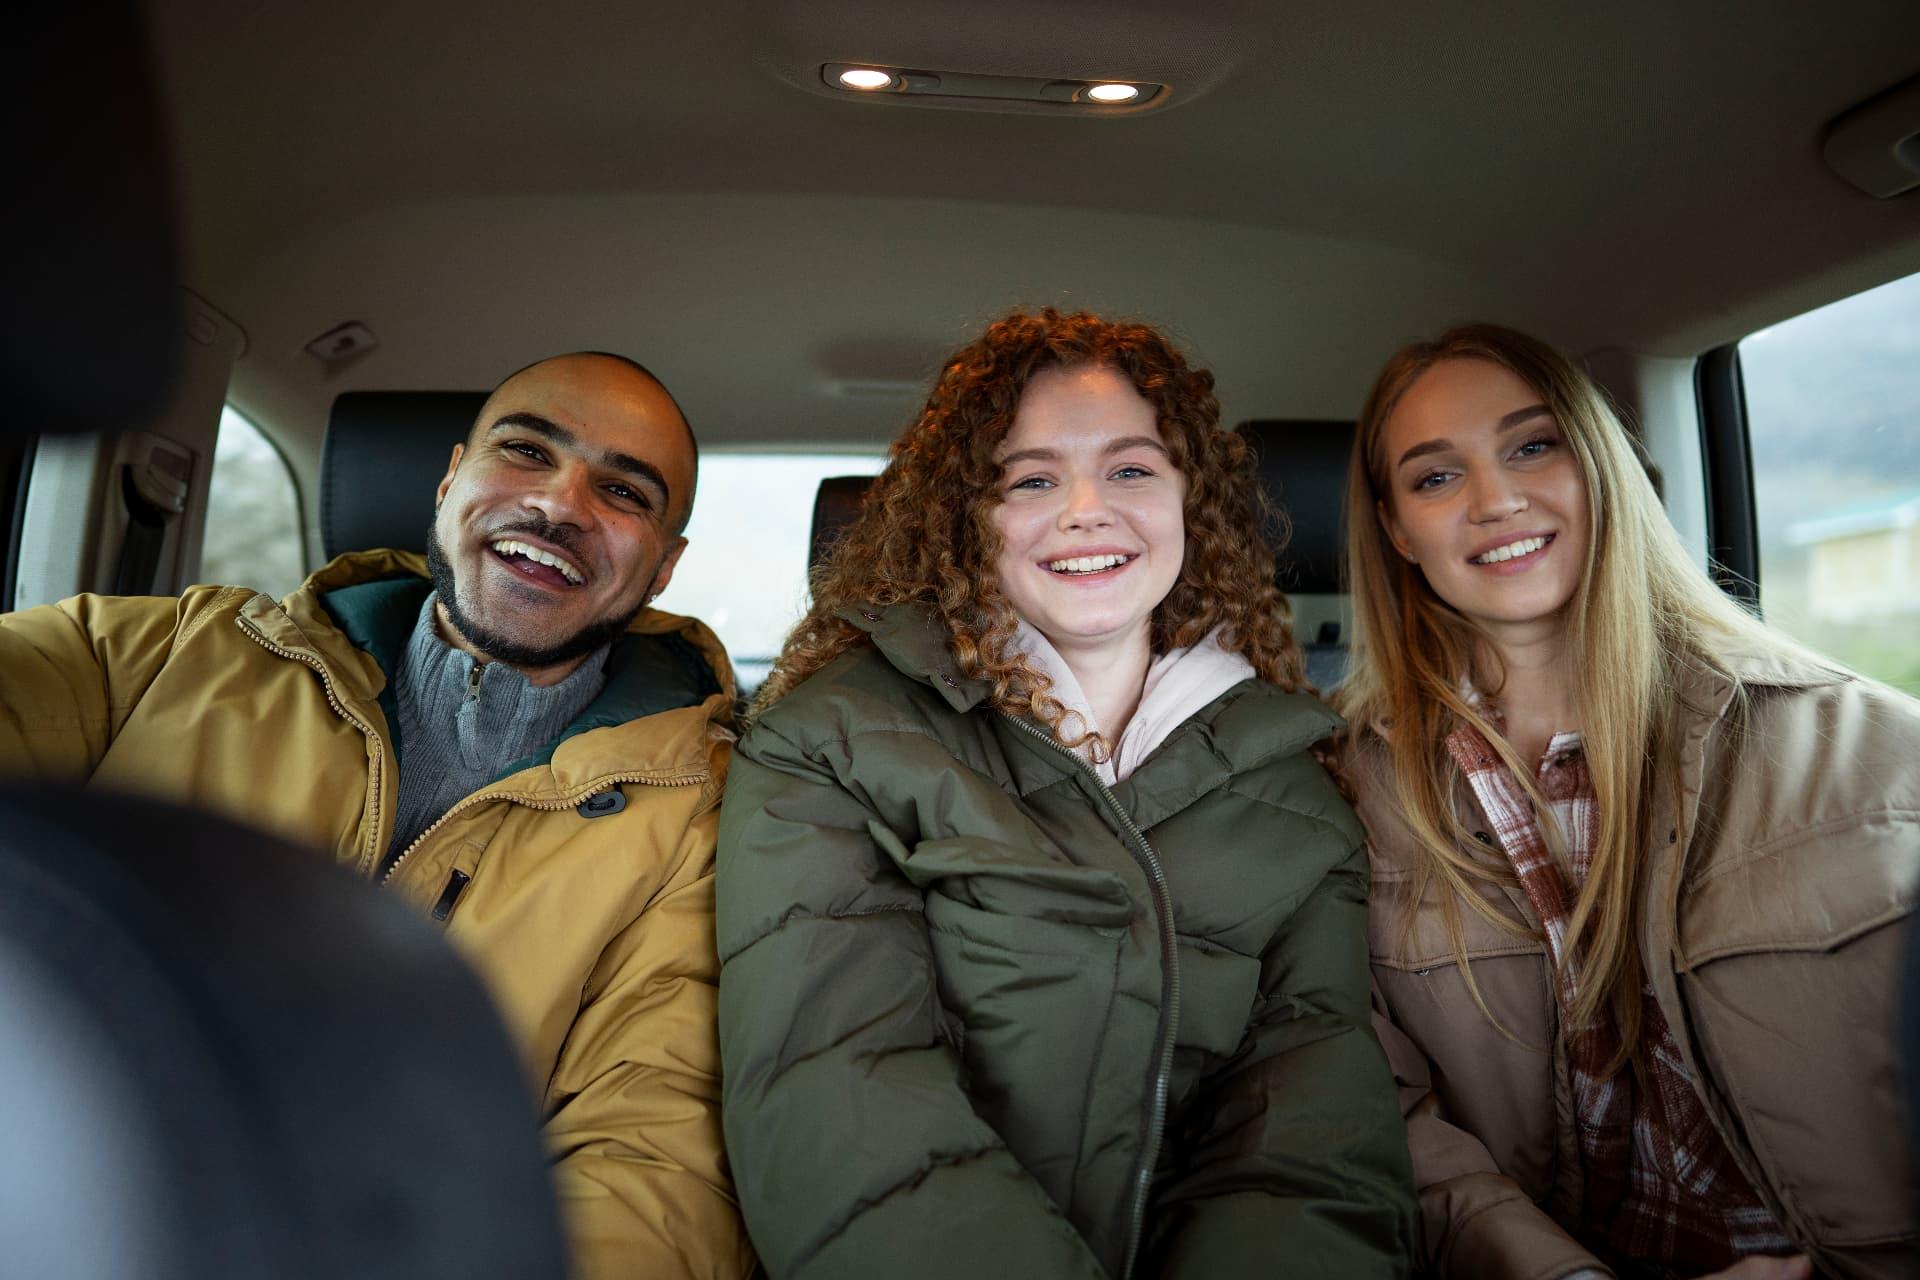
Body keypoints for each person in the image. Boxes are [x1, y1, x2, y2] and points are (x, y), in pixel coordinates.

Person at [0, 352, 755, 1280]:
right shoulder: (159, 655)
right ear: (448, 481)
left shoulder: (701, 821)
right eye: (524, 450)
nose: (561, 506)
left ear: (666, 566)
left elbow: (652, 1163)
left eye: (625, 493)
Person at [715, 308, 1417, 1279]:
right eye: (1032, 478)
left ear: (1191, 500)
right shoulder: (825, 742)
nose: (1086, 507)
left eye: (1131, 469)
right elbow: (837, 1096)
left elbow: (1311, 1139)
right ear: (970, 515)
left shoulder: (1299, 786)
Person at [1335, 323, 1920, 1280]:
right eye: (1436, 477)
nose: (1496, 500)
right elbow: (1381, 1110)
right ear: (1397, 528)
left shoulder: (1875, 753)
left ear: (1603, 466)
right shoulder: (1346, 793)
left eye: (1533, 446)